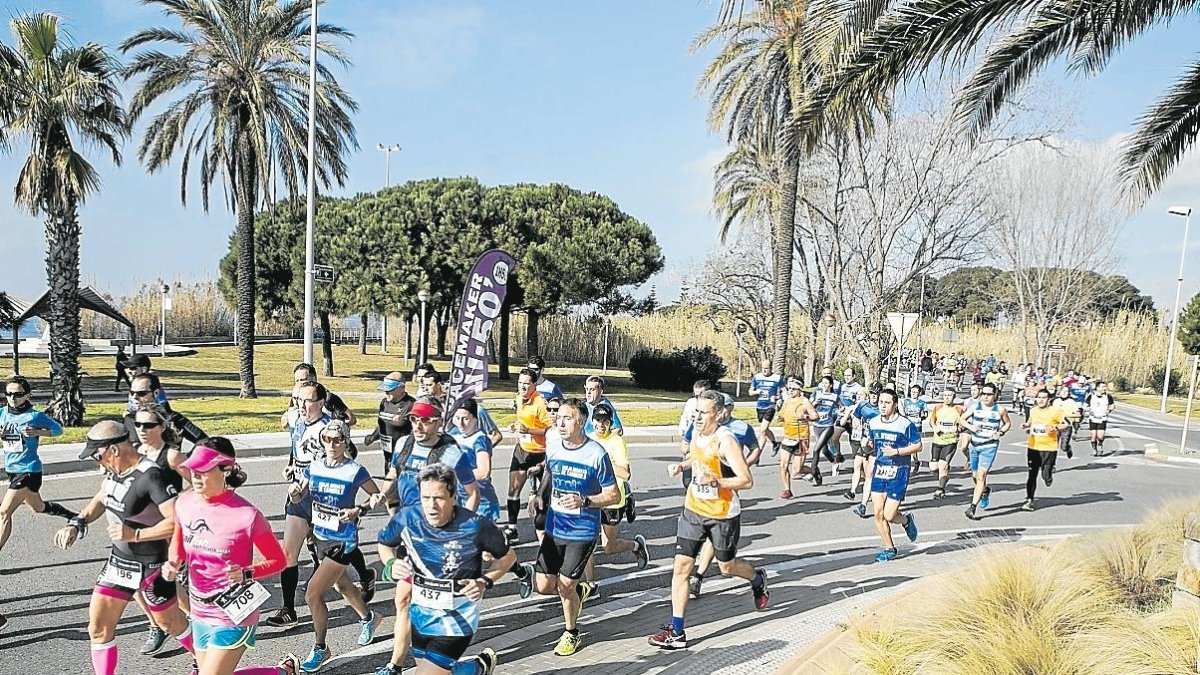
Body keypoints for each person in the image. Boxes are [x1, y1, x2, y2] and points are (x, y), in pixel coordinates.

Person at [53, 421, 193, 675]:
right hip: (119, 564)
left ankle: (207, 659)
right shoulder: (114, 472)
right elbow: (102, 497)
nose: (98, 463)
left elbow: (177, 521)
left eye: (99, 456)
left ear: (114, 450)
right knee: (98, 628)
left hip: (152, 565)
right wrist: (77, 522)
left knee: (171, 623)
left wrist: (136, 534)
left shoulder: (150, 475)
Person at [162, 437, 300, 675]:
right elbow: (179, 538)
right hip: (199, 609)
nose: (195, 475)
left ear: (225, 470)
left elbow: (280, 560)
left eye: (203, 469)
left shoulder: (247, 516)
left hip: (234, 613)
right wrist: (173, 561)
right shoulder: (185, 503)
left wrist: (247, 572)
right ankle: (280, 673)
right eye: (193, 468)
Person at [649, 390, 768, 650]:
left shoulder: (726, 440)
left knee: (727, 568)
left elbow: (746, 480)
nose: (698, 416)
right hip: (693, 510)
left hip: (722, 514)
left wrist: (716, 481)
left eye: (703, 412)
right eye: (696, 411)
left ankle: (757, 579)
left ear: (718, 414)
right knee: (681, 568)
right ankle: (677, 631)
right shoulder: (695, 432)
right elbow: (697, 455)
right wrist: (683, 465)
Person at [375, 396, 483, 675]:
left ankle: (462, 667)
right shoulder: (404, 443)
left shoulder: (451, 452)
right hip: (411, 534)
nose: (418, 425)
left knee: (426, 605)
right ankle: (397, 666)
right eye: (414, 419)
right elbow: (393, 475)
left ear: (438, 422)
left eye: (425, 420)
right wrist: (379, 495)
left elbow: (472, 494)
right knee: (403, 599)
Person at [375, 463, 514, 675]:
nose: (431, 506)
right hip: (421, 613)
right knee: (429, 669)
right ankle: (477, 668)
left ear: (453, 497)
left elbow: (508, 557)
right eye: (425, 498)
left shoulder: (474, 525)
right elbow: (384, 544)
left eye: (438, 498)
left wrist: (485, 581)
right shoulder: (408, 518)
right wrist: (391, 563)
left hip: (457, 617)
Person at [526, 398, 621, 657]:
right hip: (556, 527)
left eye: (567, 418)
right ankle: (579, 590)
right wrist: (539, 496)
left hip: (582, 531)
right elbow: (550, 472)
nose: (560, 422)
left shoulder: (596, 454)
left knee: (564, 585)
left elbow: (613, 495)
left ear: (580, 422)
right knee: (544, 586)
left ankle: (571, 632)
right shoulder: (555, 445)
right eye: (558, 418)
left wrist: (586, 500)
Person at [292, 420, 384, 671]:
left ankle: (321, 647)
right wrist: (295, 491)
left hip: (343, 540)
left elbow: (378, 497)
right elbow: (301, 492)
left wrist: (359, 510)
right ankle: (369, 618)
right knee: (343, 585)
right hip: (321, 536)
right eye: (327, 439)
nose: (331, 444)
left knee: (313, 593)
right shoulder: (315, 466)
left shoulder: (355, 470)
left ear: (346, 442)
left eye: (337, 439)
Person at [265, 383, 332, 629]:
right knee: (288, 554)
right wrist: (293, 469)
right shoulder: (297, 420)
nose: (302, 405)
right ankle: (288, 609)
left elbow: (330, 464)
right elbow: (299, 452)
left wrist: (305, 480)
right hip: (299, 499)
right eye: (298, 400)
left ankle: (363, 581)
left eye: (308, 400)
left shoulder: (329, 428)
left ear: (321, 402)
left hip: (323, 499)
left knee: (333, 561)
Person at [0, 376, 74, 556]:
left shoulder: (35, 416)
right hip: (11, 469)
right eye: (8, 394)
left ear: (27, 395)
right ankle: (74, 517)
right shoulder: (2, 413)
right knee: (38, 507)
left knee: (4, 513)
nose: (12, 398)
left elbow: (58, 430)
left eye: (18, 394)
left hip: (28, 470)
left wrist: (37, 432)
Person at [582, 403, 650, 590]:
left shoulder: (616, 441)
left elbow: (626, 473)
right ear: (592, 421)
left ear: (610, 423)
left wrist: (605, 464)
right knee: (587, 541)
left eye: (605, 421)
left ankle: (635, 546)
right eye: (598, 421)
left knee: (608, 547)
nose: (601, 425)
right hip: (592, 499)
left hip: (612, 500)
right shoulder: (587, 439)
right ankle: (590, 585)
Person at [863, 389, 922, 562]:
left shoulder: (904, 424)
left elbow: (918, 446)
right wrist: (867, 445)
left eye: (887, 402)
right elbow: (872, 446)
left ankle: (906, 520)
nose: (883, 405)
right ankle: (889, 548)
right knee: (878, 514)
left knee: (889, 515)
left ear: (895, 404)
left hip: (899, 472)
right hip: (880, 470)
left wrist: (897, 451)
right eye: (881, 402)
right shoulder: (873, 422)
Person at [504, 369, 553, 544]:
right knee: (513, 490)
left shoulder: (540, 403)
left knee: (546, 495)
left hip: (540, 453)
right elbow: (523, 421)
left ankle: (547, 532)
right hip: (522, 450)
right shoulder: (519, 398)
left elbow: (550, 430)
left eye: (526, 383)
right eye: (520, 382)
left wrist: (530, 430)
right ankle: (512, 529)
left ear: (534, 385)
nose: (522, 386)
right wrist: (516, 425)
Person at [961, 384, 1011, 521]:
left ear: (994, 395)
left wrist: (1001, 432)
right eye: (984, 394)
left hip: (989, 446)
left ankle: (972, 507)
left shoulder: (1000, 410)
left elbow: (1007, 423)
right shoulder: (975, 407)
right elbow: (961, 419)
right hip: (975, 445)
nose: (986, 397)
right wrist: (971, 427)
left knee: (981, 475)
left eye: (989, 394)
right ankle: (984, 491)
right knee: (975, 476)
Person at [450, 399, 501, 523]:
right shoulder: (452, 434)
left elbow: (484, 472)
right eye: (457, 418)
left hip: (481, 500)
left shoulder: (480, 439)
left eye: (465, 419)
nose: (461, 423)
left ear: (475, 420)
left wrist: (453, 474)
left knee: (479, 538)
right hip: (457, 498)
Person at [125, 374, 208, 448]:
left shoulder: (172, 417)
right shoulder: (129, 419)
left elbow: (205, 442)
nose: (134, 397)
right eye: (132, 392)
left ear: (156, 393)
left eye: (141, 393)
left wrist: (188, 460)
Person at [1022, 389, 1070, 512]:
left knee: (1045, 474)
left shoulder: (1055, 411)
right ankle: (1029, 500)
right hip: (1033, 447)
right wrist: (1026, 425)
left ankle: (1048, 476)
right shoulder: (1033, 410)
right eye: (1039, 397)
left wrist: (1054, 427)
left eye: (1044, 398)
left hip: (1049, 448)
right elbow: (1030, 422)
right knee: (1032, 475)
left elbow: (1066, 424)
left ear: (1049, 399)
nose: (1041, 400)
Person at [364, 372, 415, 473]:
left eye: (390, 389)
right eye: (385, 389)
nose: (386, 392)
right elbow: (382, 424)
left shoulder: (411, 405)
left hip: (404, 458)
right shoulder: (384, 403)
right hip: (388, 457)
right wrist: (373, 437)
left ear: (402, 388)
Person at [778, 377, 816, 499]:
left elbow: (815, 416)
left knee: (797, 469)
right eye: (788, 389)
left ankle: (813, 471)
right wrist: (780, 418)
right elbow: (782, 415)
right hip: (788, 437)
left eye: (793, 389)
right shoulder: (787, 401)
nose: (790, 391)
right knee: (783, 465)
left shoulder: (804, 402)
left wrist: (805, 417)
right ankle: (787, 489)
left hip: (801, 438)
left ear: (799, 389)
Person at [846, 386, 881, 515]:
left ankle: (865, 503)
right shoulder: (863, 405)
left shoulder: (883, 409)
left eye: (876, 394)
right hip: (864, 441)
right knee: (859, 468)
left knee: (869, 473)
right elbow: (855, 417)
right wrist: (858, 425)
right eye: (872, 394)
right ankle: (857, 497)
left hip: (877, 445)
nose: (873, 396)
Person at [805, 375, 843, 485]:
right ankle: (834, 461)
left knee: (816, 449)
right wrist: (815, 403)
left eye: (826, 383)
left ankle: (812, 472)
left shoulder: (834, 396)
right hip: (817, 425)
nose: (824, 385)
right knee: (824, 450)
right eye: (822, 383)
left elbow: (842, 407)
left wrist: (839, 412)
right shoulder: (817, 393)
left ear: (831, 385)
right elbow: (809, 406)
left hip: (828, 426)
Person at [292, 363, 357, 426]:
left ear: (314, 378)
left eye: (303, 380)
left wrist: (335, 426)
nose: (300, 384)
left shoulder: (328, 397)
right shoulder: (296, 398)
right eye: (297, 381)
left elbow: (351, 419)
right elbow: (285, 423)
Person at [928, 388, 962, 500]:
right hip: (937, 440)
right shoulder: (938, 408)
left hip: (950, 441)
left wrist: (959, 429)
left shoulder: (958, 409)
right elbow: (932, 421)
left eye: (949, 395)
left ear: (954, 397)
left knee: (943, 465)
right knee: (933, 467)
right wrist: (935, 427)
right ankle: (944, 476)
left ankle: (940, 489)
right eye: (945, 395)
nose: (947, 397)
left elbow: (964, 423)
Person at [748, 359, 783, 454]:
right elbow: (750, 392)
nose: (764, 370)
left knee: (762, 430)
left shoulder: (777, 378)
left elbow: (784, 392)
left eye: (766, 368)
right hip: (760, 406)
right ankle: (775, 443)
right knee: (765, 429)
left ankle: (757, 455)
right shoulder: (757, 377)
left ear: (771, 368)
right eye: (763, 368)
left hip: (770, 406)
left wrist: (778, 399)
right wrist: (756, 392)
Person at [899, 385, 928, 474]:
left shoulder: (922, 403)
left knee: (914, 445)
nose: (914, 394)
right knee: (905, 445)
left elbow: (926, 413)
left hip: (917, 425)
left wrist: (921, 418)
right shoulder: (906, 401)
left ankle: (916, 462)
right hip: (906, 425)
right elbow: (900, 410)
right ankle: (905, 464)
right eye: (912, 392)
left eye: (916, 392)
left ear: (919, 393)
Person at [1086, 382, 1116, 456]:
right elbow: (1085, 406)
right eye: (1103, 387)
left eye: (1105, 387)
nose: (1104, 388)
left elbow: (1112, 406)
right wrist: (1089, 409)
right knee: (1093, 436)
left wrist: (1109, 410)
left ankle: (1100, 443)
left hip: (1102, 418)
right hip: (1093, 418)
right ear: (1097, 388)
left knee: (1100, 436)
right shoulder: (1091, 396)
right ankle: (1094, 450)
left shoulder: (1108, 396)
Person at [1052, 386, 1082, 459]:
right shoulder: (1056, 401)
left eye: (1067, 391)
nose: (1064, 393)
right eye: (1063, 391)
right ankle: (1052, 465)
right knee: (1053, 447)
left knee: (1063, 447)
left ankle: (1068, 448)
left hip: (1067, 426)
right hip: (1056, 426)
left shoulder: (1071, 402)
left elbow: (1078, 414)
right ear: (1060, 392)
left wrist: (1066, 415)